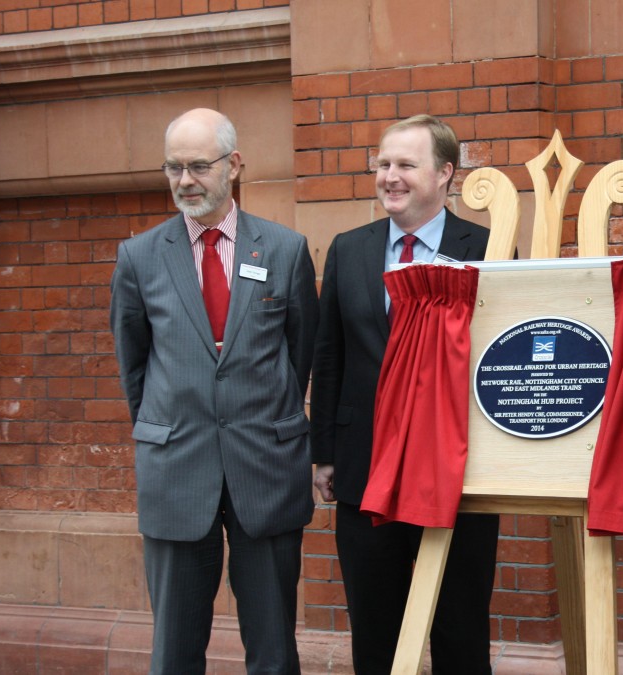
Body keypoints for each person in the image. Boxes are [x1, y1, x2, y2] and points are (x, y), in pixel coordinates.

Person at [110, 108, 319, 674]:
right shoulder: (139, 258)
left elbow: (300, 356)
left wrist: (266, 414)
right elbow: (134, 367)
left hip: (265, 468)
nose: (185, 181)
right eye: (173, 168)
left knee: (274, 649)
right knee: (174, 651)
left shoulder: (283, 250)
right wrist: (170, 423)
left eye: (199, 166)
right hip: (177, 468)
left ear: (234, 165)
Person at [309, 114, 500, 674]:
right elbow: (330, 354)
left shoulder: (487, 248)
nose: (390, 176)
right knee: (375, 631)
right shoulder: (349, 250)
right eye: (383, 164)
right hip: (366, 467)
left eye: (405, 165)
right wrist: (324, 453)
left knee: (461, 630)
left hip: (458, 473)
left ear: (445, 173)